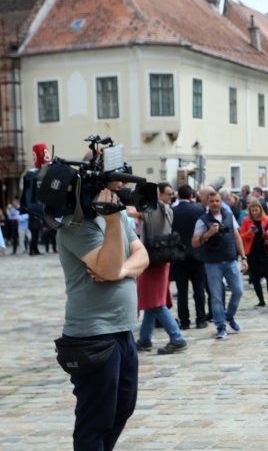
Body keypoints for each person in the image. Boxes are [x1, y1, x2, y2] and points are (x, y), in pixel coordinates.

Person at [56, 184, 149, 448]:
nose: (116, 194)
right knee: (95, 419)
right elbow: (107, 267)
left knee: (123, 407)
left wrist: (121, 271)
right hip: (92, 336)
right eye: (110, 188)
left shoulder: (117, 216)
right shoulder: (74, 225)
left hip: (123, 330)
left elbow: (142, 256)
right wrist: (110, 224)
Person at [136, 183, 187, 355]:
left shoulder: (152, 208)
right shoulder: (166, 208)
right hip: (163, 257)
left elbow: (134, 212)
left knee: (156, 303)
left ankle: (176, 337)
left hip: (152, 259)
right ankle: (144, 339)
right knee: (152, 301)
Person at [192, 190, 248, 340]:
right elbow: (195, 242)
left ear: (221, 201)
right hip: (212, 263)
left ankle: (228, 316)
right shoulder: (202, 220)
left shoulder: (229, 216)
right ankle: (220, 326)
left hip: (230, 261)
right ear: (207, 203)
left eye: (217, 201)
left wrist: (243, 257)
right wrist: (208, 234)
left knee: (238, 290)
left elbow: (236, 237)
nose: (215, 204)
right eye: (212, 201)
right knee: (216, 297)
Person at [171, 184, 209, 330]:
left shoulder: (172, 211)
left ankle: (185, 321)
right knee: (199, 288)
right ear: (192, 195)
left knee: (182, 291)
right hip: (197, 253)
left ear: (179, 196)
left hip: (179, 255)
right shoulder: (199, 209)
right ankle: (201, 319)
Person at [239, 199, 268, 306]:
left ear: (260, 210)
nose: (255, 213)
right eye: (252, 211)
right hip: (252, 251)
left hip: (265, 250)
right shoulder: (246, 220)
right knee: (255, 277)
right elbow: (241, 236)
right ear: (249, 211)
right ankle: (261, 300)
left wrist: (267, 233)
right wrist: (250, 232)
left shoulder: (266, 219)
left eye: (256, 210)